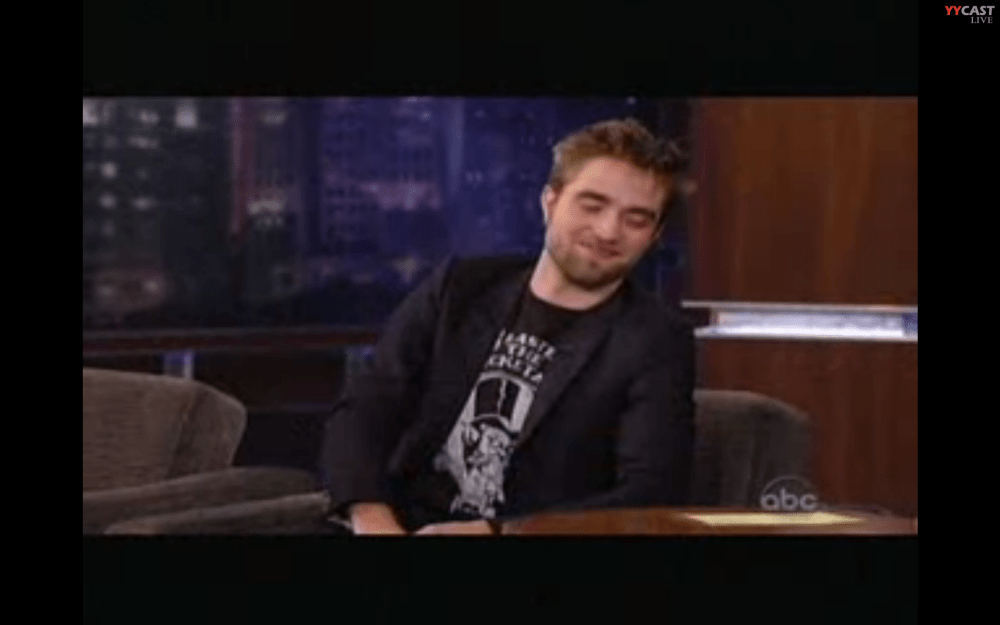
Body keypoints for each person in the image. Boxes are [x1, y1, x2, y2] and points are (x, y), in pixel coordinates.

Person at [319, 118, 696, 535]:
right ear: (550, 201)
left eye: (636, 220)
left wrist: (498, 531)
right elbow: (365, 409)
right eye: (592, 206)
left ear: (654, 236)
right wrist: (370, 516)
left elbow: (649, 493)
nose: (609, 231)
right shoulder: (460, 288)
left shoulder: (657, 340)